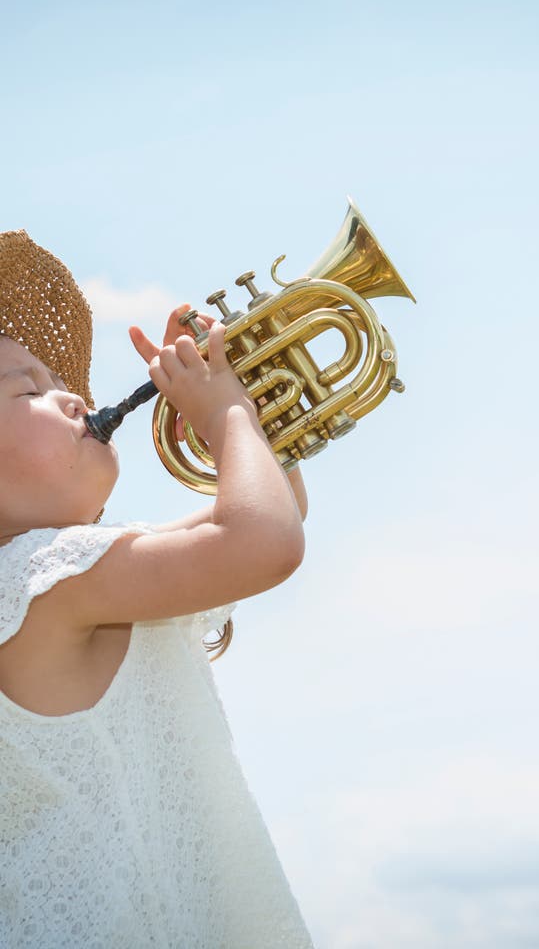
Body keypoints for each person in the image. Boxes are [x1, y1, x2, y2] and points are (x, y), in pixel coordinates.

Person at [0, 229, 314, 948]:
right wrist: (226, 414)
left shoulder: (76, 575)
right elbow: (266, 541)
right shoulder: (37, 579)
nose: (76, 395)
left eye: (61, 381)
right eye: (31, 389)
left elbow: (275, 509)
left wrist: (242, 416)